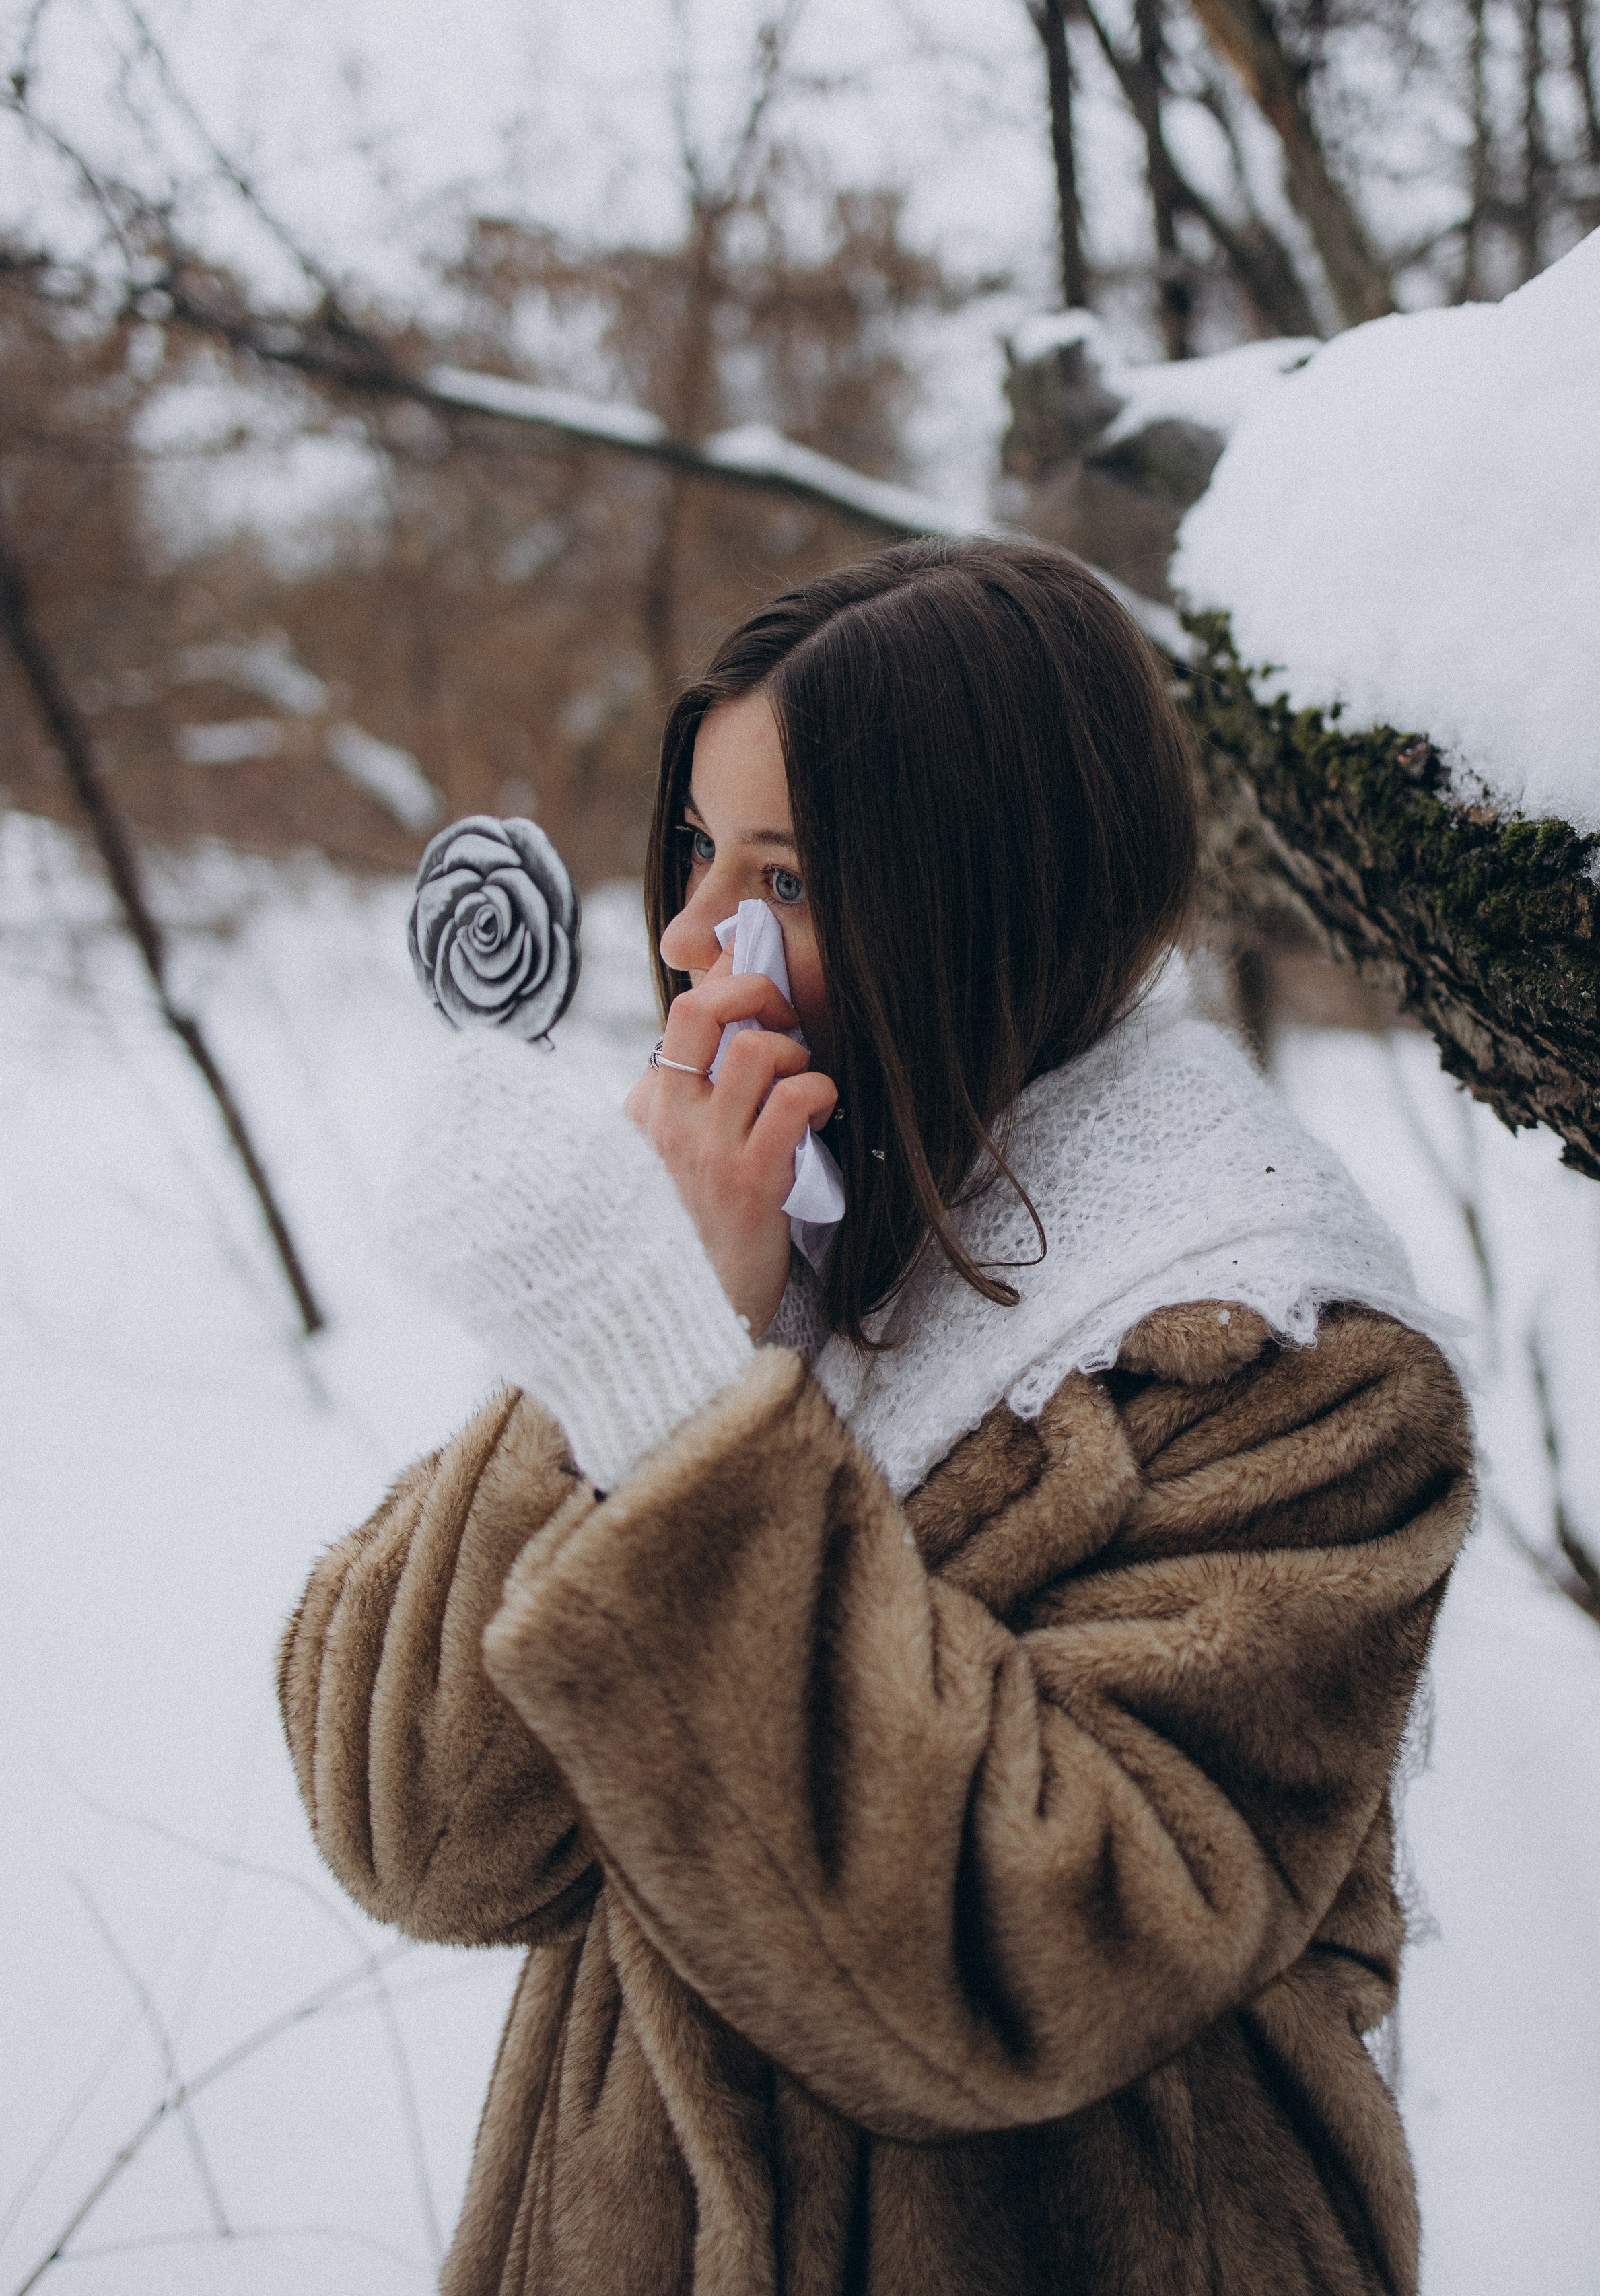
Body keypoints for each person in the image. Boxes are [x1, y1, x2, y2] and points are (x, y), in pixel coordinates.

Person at [281, 538, 1472, 2296]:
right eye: (695, 846)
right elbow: (418, 1827)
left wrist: (687, 1410)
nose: (690, 937)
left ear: (986, 893)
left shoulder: (1293, 1364)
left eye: (789, 876)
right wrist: (624, 1339)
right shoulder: (789, 1219)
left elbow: (1031, 1948)